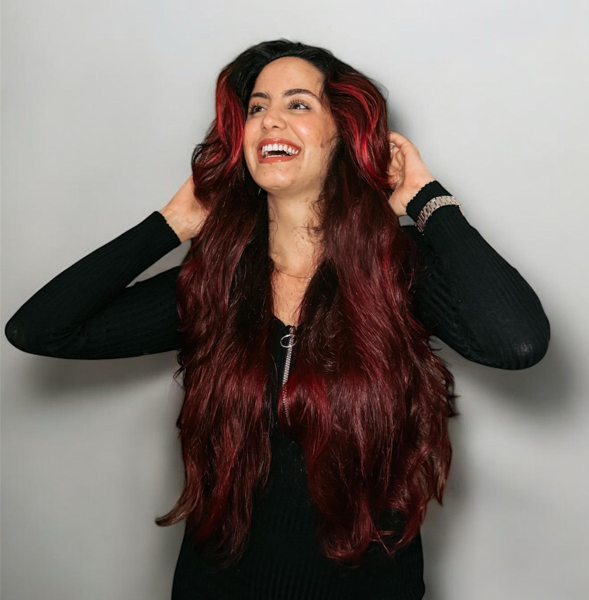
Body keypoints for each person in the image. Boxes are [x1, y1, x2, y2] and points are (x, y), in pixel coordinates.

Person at [4, 39, 551, 600]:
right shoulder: (216, 279)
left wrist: (426, 200)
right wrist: (170, 224)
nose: (269, 121)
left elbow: (518, 342)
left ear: (344, 134)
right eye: (257, 108)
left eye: (297, 104)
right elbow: (39, 328)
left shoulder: (398, 267)